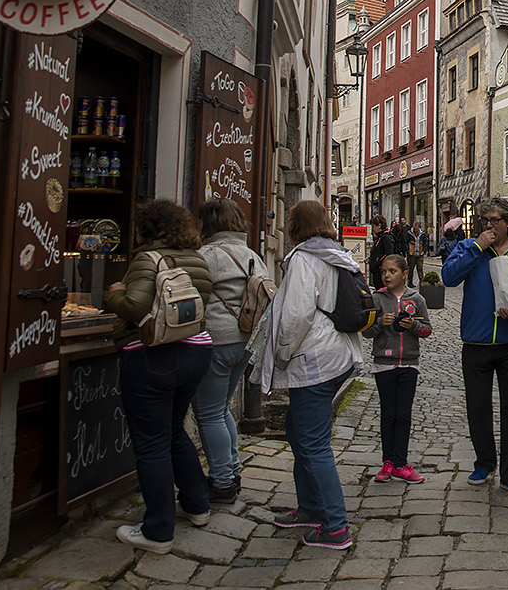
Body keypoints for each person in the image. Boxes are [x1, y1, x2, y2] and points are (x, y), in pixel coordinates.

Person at [104, 199, 214, 554]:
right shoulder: (196, 257)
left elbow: (135, 307)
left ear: (147, 229)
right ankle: (197, 504)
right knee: (173, 431)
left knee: (151, 443)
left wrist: (115, 293)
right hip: (196, 350)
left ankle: (158, 530)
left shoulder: (146, 259)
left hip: (153, 354)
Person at [254, 200, 363, 550]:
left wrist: (282, 354)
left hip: (314, 359)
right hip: (337, 354)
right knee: (298, 432)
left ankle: (334, 526)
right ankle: (310, 507)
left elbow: (295, 316)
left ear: (296, 225)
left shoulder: (304, 258)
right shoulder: (339, 255)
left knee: (313, 443)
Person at [441, 196, 508, 498]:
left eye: (494, 221)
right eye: (483, 221)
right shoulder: (468, 247)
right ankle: (484, 462)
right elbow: (448, 277)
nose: (488, 226)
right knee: (478, 407)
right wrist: (476, 247)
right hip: (476, 341)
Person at [193, 197, 267, 505]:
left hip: (216, 340)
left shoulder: (205, 255)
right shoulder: (252, 256)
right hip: (246, 342)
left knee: (209, 412)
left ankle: (222, 481)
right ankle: (232, 470)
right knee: (222, 408)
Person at [366, 254, 431, 483]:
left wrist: (413, 325)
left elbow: (427, 329)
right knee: (388, 414)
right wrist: (379, 324)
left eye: (391, 271)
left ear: (404, 274)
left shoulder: (417, 299)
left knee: (403, 414)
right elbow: (366, 331)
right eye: (384, 271)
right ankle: (387, 461)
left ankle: (401, 462)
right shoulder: (377, 299)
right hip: (384, 363)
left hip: (409, 363)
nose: (386, 275)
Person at [368, 215, 396, 290]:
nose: (373, 229)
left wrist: (378, 263)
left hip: (381, 271)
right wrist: (370, 259)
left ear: (379, 225)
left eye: (373, 226)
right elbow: (378, 252)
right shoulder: (379, 237)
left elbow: (389, 254)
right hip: (377, 271)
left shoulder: (386, 238)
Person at [407, 221, 429, 286]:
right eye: (414, 228)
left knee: (420, 268)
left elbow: (425, 243)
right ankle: (410, 282)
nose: (415, 230)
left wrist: (424, 251)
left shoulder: (422, 234)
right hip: (412, 254)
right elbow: (405, 242)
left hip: (420, 253)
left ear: (419, 227)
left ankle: (421, 282)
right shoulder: (409, 233)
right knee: (411, 268)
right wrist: (407, 250)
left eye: (416, 228)